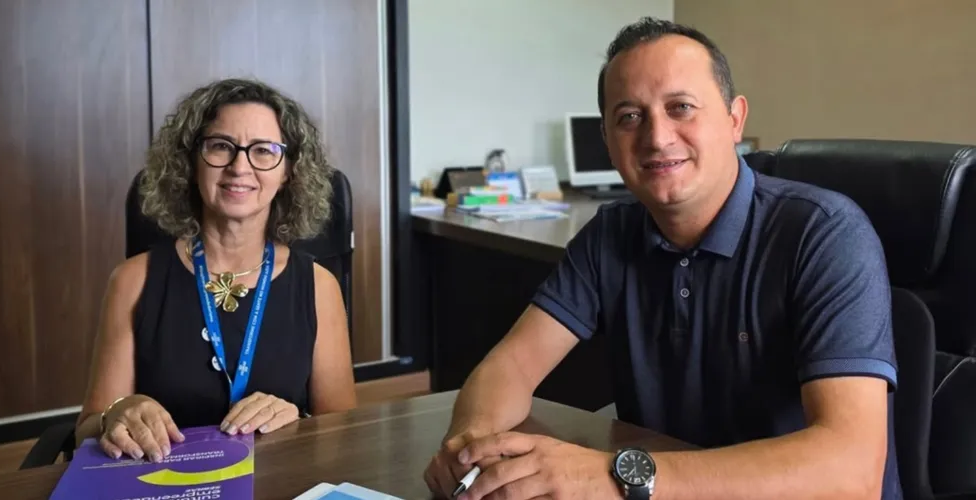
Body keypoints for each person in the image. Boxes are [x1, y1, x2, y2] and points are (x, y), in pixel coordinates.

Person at [424, 17, 900, 500]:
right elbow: (510, 366)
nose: (656, 137)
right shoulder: (610, 234)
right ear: (607, 140)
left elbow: (853, 472)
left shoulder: (825, 234)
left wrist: (616, 475)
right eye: (630, 116)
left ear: (734, 118)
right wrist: (470, 448)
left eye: (681, 108)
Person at [74, 78, 357, 463]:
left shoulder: (319, 287)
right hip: (161, 481)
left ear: (288, 171)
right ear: (191, 163)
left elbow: (343, 430)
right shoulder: (132, 281)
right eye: (221, 146)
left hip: (281, 481)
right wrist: (115, 414)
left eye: (264, 150)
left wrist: (300, 418)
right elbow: (86, 430)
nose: (240, 167)